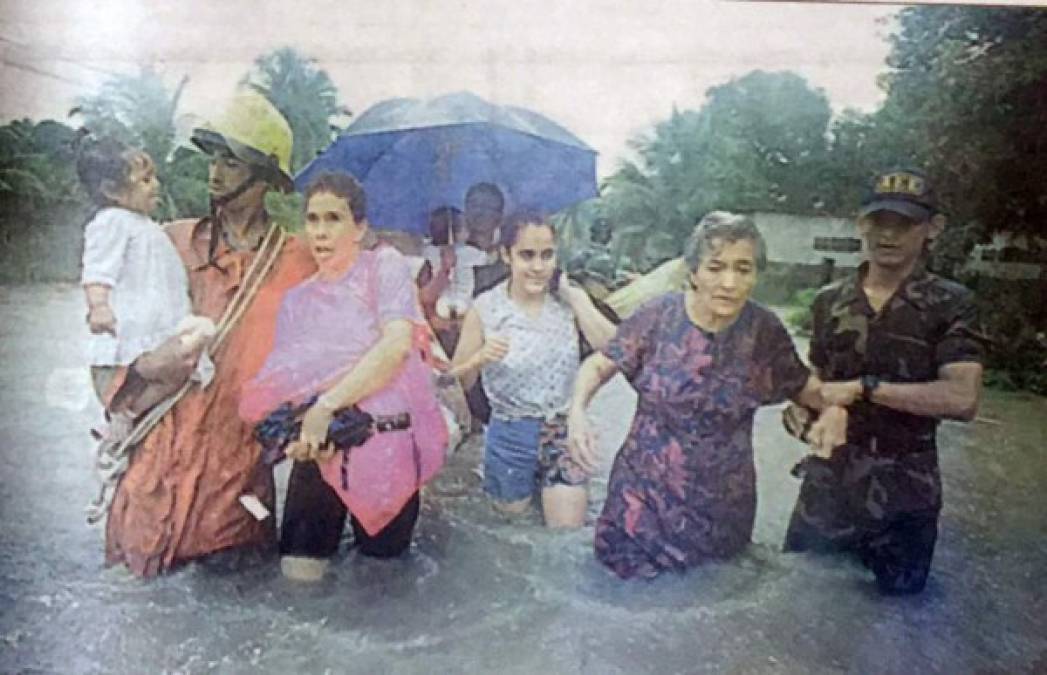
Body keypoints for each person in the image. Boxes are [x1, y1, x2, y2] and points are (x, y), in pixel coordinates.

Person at [104, 89, 316, 576]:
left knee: (236, 597)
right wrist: (141, 367)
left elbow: (326, 357)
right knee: (136, 599)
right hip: (157, 461)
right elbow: (111, 337)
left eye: (232, 162)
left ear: (265, 178)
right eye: (213, 158)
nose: (215, 172)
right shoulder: (168, 242)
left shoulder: (299, 262)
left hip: (237, 474)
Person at [568, 211, 845, 579]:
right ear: (693, 272)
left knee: (714, 604)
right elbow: (600, 365)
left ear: (756, 275)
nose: (729, 282)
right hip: (641, 503)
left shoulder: (764, 331)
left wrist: (833, 411)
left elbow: (808, 389)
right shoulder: (658, 316)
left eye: (743, 269)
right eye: (716, 267)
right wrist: (577, 413)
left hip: (721, 509)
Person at [781, 169, 984, 595]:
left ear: (933, 229)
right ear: (862, 223)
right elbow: (815, 380)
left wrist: (865, 388)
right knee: (798, 604)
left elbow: (962, 398)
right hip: (828, 488)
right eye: (879, 222)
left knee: (896, 619)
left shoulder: (951, 304)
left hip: (906, 490)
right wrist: (801, 412)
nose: (888, 234)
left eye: (904, 224)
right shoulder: (829, 301)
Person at [239, 172, 448, 581]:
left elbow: (396, 345)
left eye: (333, 218)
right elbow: (286, 383)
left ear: (360, 227)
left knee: (382, 582)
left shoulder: (383, 269)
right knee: (299, 576)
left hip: (385, 446)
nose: (320, 232)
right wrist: (294, 433)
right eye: (312, 220)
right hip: (322, 450)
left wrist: (327, 405)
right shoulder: (297, 301)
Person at [75, 135, 215, 522]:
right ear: (110, 190)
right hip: (130, 341)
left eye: (154, 177)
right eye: (144, 179)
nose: (156, 185)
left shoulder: (144, 225)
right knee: (186, 358)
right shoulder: (110, 223)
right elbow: (97, 269)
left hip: (158, 336)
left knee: (194, 353)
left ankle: (128, 418)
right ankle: (125, 416)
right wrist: (99, 306)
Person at [449, 211, 616, 527]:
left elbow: (620, 352)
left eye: (547, 255)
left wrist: (576, 298)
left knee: (564, 537)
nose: (538, 267)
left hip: (563, 430)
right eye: (527, 255)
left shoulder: (567, 302)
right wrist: (480, 358)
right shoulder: (485, 307)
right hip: (509, 433)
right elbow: (456, 381)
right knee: (511, 537)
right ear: (506, 255)